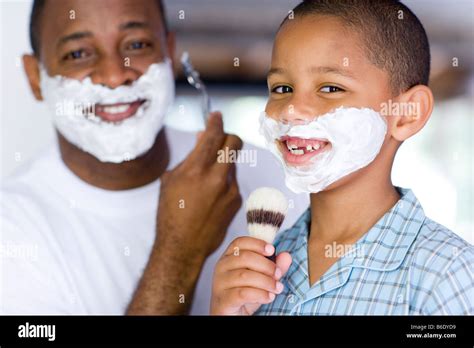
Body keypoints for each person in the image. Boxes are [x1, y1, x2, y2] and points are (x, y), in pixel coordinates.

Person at [0, 0, 309, 315]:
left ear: (169, 51)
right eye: (78, 53)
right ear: (35, 76)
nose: (115, 75)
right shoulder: (11, 231)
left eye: (136, 44)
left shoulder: (277, 177)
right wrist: (181, 248)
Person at [210, 0, 473, 315]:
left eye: (331, 88)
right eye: (281, 88)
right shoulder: (262, 267)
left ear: (406, 114)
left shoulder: (447, 273)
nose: (291, 109)